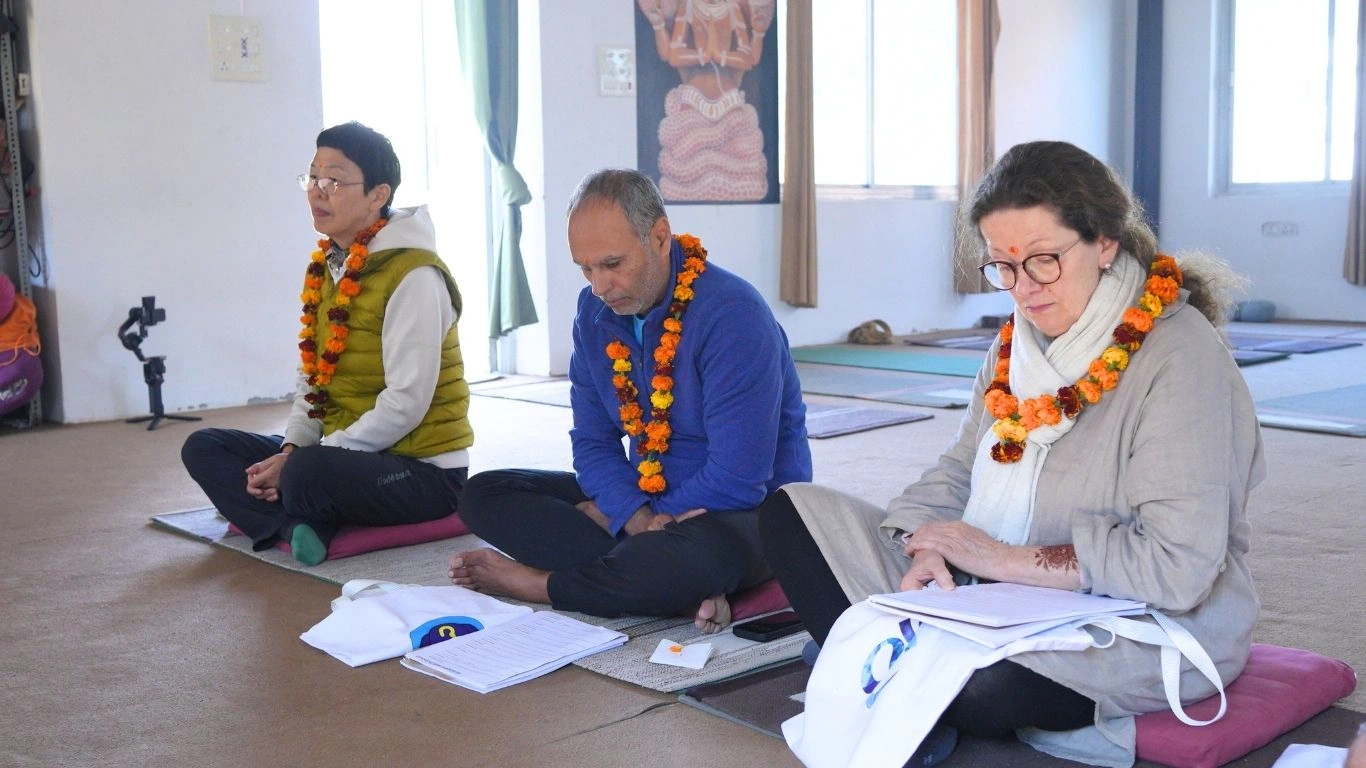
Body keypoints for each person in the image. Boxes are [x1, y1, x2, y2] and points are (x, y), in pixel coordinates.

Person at [759, 141, 1265, 765]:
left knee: (982, 685)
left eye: (1044, 261)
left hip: (1127, 619)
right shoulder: (1012, 344)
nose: (1022, 289)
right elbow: (958, 470)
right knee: (793, 514)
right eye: (1002, 265)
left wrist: (1001, 559)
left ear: (1105, 242)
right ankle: (913, 663)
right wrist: (924, 544)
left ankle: (900, 667)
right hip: (987, 592)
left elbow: (1177, 566)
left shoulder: (1179, 357)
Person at [448, 168, 810, 632]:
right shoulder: (594, 311)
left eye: (612, 264)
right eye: (585, 267)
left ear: (660, 237)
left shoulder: (733, 316)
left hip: (742, 514)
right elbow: (592, 441)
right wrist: (633, 515)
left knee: (687, 556)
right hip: (646, 500)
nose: (598, 285)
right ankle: (662, 589)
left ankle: (544, 585)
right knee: (485, 494)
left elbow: (739, 478)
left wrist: (623, 517)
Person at [182, 121, 473, 566]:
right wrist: (291, 448)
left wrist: (305, 461)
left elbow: (406, 403)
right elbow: (311, 383)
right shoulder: (328, 267)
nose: (317, 192)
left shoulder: (415, 277)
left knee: (307, 475)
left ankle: (294, 511)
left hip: (421, 472)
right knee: (205, 447)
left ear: (378, 194)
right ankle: (292, 524)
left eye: (333, 180)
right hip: (345, 453)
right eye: (312, 178)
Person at [637, 0, 775, 201]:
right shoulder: (689, 7)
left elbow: (749, 58)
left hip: (729, 98)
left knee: (745, 162)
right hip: (695, 97)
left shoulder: (733, 9)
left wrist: (721, 55)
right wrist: (703, 56)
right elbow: (673, 55)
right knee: (685, 161)